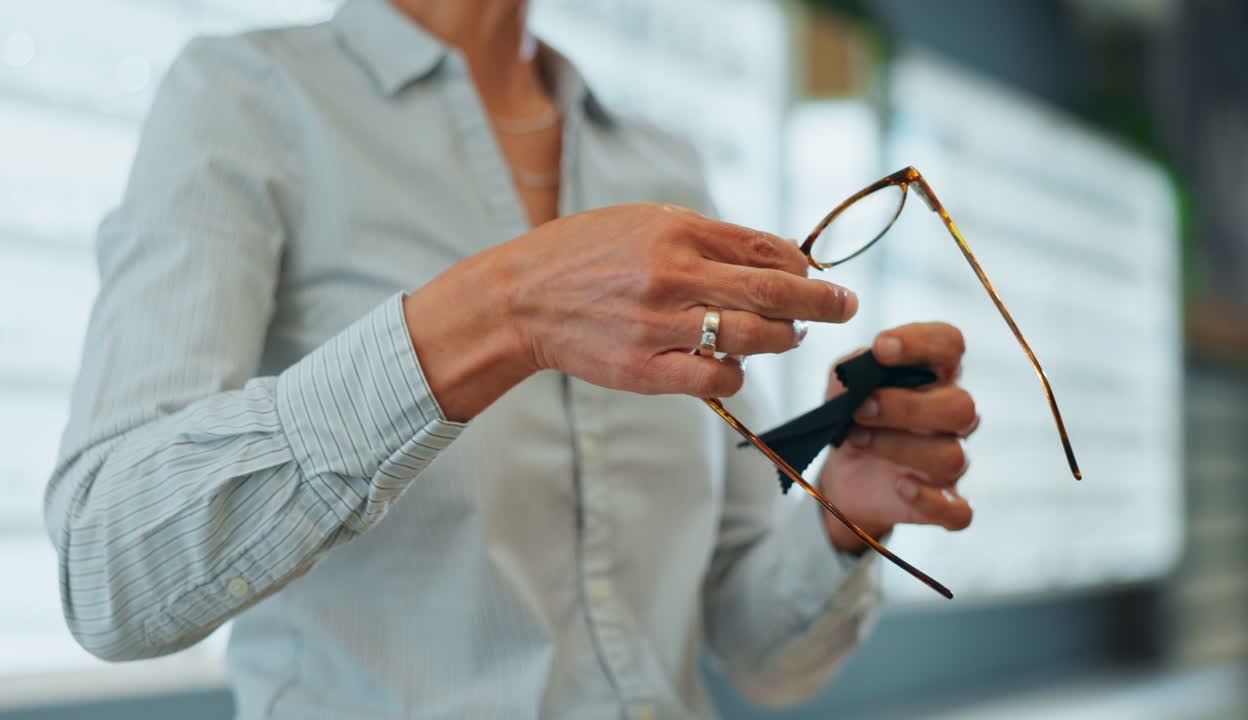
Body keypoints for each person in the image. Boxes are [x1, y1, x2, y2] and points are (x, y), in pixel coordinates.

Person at [45, 0, 977, 717]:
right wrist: (498, 312)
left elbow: (759, 651)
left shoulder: (661, 166)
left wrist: (840, 519)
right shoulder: (246, 99)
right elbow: (108, 574)